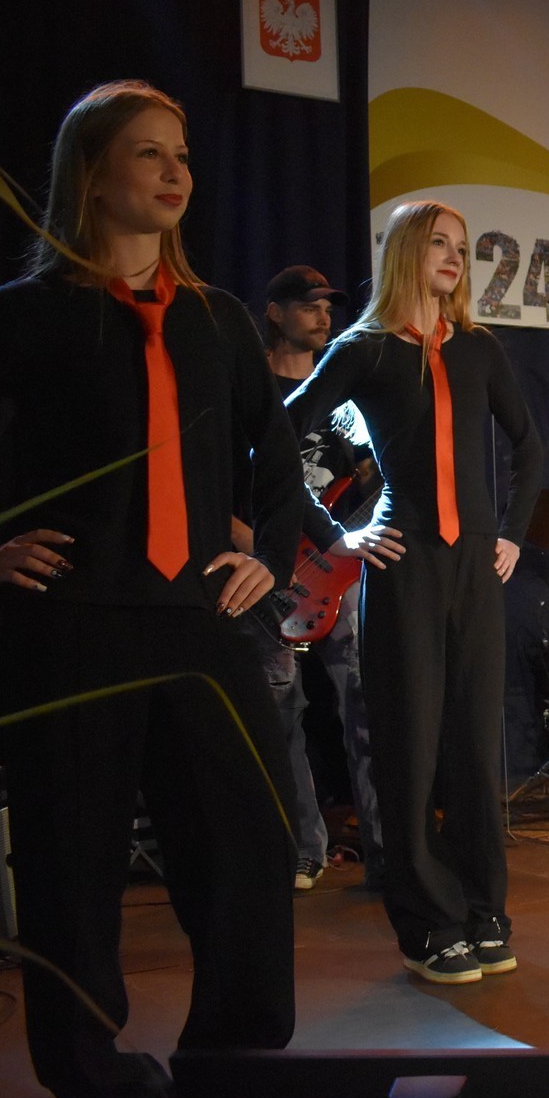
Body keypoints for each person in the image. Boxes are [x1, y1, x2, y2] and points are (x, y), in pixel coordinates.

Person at [0, 80, 306, 1098]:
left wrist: (271, 557)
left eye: (182, 154)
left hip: (200, 622)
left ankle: (236, 1057)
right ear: (90, 172)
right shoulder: (32, 313)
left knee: (251, 845)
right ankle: (91, 1075)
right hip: (73, 626)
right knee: (71, 864)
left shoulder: (216, 320)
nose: (175, 172)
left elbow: (277, 451)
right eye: (148, 152)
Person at [285, 200, 546, 984]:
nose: (455, 256)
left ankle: (484, 907)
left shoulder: (479, 348)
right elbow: (276, 436)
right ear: (405, 250)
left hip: (476, 570)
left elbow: (529, 446)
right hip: (404, 567)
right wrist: (337, 536)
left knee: (474, 747)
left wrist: (512, 533)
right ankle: (428, 922)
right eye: (439, 242)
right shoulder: (364, 349)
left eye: (462, 245)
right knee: (410, 750)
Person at [233, 264, 383, 892]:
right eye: (308, 305)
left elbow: (376, 484)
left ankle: (386, 849)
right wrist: (266, 554)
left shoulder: (344, 401)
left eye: (329, 307)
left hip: (338, 573)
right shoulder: (248, 391)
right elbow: (220, 486)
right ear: (274, 313)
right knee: (279, 711)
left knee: (366, 703)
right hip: (265, 568)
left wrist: (357, 539)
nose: (324, 316)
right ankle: (304, 848)